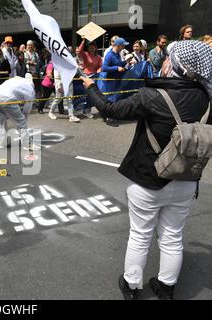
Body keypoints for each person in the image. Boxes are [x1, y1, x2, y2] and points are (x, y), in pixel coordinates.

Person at [81, 40, 212, 300]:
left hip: (147, 179)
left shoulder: (152, 95)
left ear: (176, 65)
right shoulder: (206, 98)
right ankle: (166, 288)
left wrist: (91, 87)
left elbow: (110, 110)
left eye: (168, 58)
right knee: (173, 236)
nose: (163, 60)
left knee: (140, 236)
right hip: (187, 178)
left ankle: (131, 286)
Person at [0, 74, 39, 151]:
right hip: (7, 97)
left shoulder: (17, 80)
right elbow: (27, 109)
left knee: (1, 120)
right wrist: (23, 120)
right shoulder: (30, 89)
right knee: (21, 121)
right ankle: (27, 144)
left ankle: (2, 142)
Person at [101, 37, 130, 127]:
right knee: (110, 99)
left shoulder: (117, 54)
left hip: (116, 80)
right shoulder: (110, 55)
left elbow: (119, 64)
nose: (124, 47)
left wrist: (126, 62)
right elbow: (104, 68)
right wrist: (116, 68)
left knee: (114, 99)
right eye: (123, 45)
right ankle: (108, 118)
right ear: (118, 45)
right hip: (110, 81)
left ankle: (109, 116)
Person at [77, 37, 103, 118]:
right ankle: (83, 109)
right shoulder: (85, 54)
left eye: (93, 46)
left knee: (92, 95)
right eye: (90, 46)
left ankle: (87, 110)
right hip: (86, 76)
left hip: (94, 77)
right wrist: (83, 41)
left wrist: (99, 70)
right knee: (87, 95)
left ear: (95, 48)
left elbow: (100, 66)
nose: (92, 47)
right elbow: (79, 51)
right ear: (88, 47)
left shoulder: (98, 57)